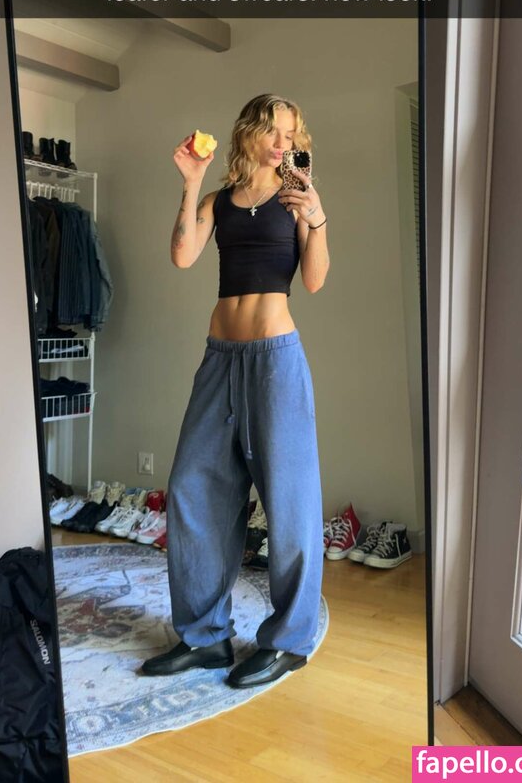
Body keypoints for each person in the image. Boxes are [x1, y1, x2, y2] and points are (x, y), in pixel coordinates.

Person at [142, 93, 330, 689]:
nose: (281, 143)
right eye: (272, 130)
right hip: (219, 359)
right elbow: (182, 256)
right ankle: (206, 637)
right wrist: (191, 182)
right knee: (192, 488)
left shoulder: (295, 197)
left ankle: (288, 642)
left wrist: (317, 218)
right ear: (249, 132)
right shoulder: (219, 201)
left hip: (276, 361)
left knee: (290, 501)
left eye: (290, 134)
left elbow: (315, 279)